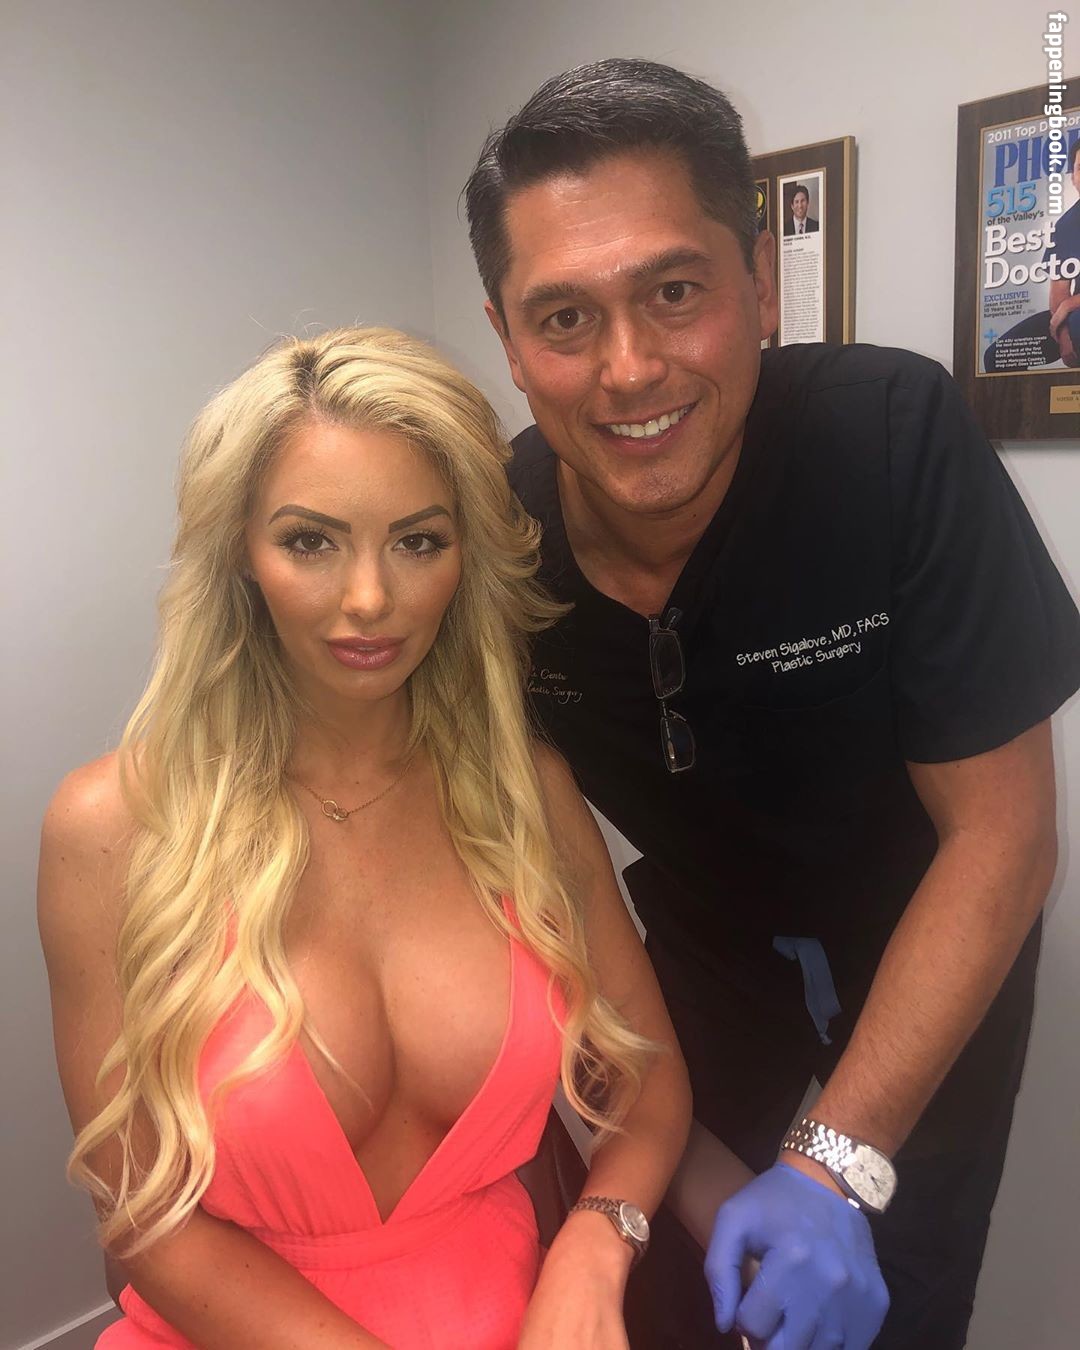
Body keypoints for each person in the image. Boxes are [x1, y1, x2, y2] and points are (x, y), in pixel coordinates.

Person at [463, 58, 1080, 1350]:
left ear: (760, 278)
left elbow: (1005, 837)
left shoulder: (890, 436)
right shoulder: (493, 544)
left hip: (926, 929)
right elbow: (544, 881)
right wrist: (670, 1180)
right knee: (655, 1295)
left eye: (674, 292)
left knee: (889, 1302)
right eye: (564, 317)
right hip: (696, 949)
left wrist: (829, 1163)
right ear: (508, 339)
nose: (629, 369)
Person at [37, 327, 693, 1349]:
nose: (370, 599)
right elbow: (140, 1210)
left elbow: (648, 1087)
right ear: (242, 553)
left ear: (465, 556)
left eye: (418, 542)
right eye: (311, 542)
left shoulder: (525, 793)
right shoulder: (112, 828)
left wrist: (596, 1244)